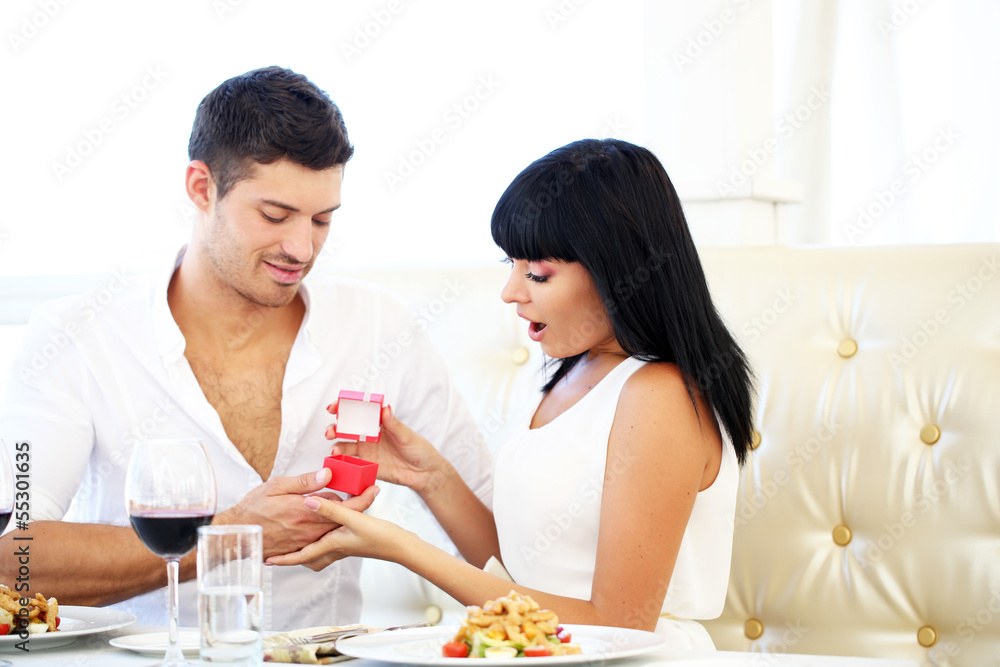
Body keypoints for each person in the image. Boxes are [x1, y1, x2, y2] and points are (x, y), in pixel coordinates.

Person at [0, 67, 493, 630]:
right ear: (201, 188)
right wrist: (233, 534)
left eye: (322, 220)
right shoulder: (76, 337)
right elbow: (12, 559)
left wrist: (432, 482)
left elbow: (503, 553)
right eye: (275, 215)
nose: (301, 247)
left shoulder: (381, 327)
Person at [268, 138, 755, 649]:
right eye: (512, 265)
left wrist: (402, 548)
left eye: (538, 274)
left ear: (617, 272)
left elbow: (619, 625)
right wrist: (429, 476)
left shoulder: (660, 396)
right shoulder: (569, 374)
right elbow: (523, 568)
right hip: (544, 656)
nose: (511, 291)